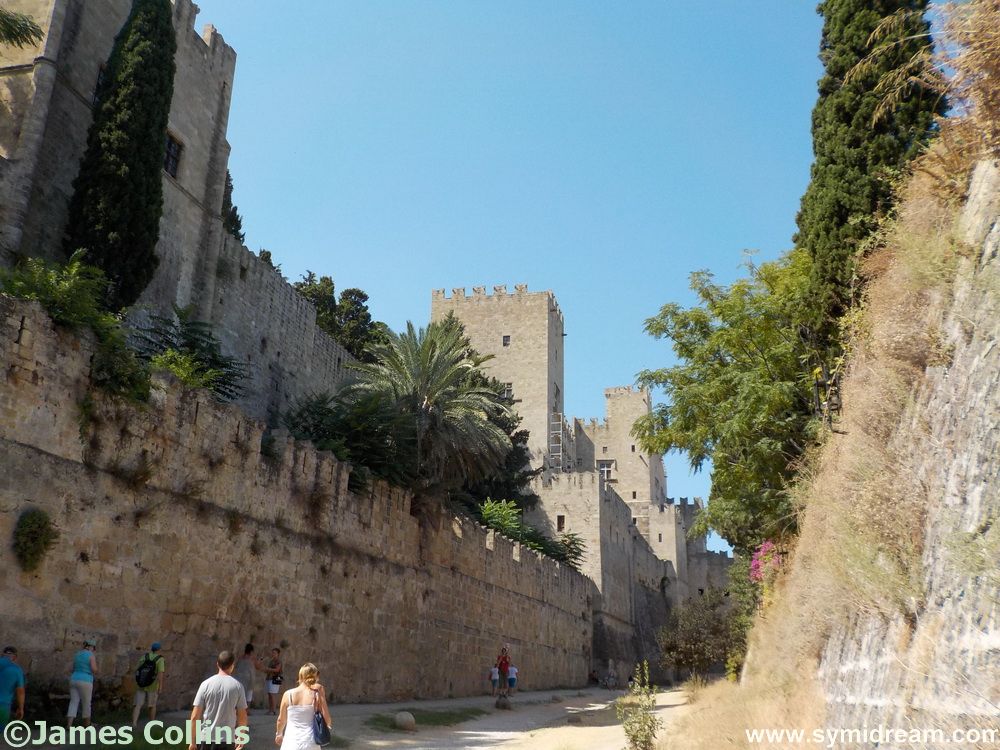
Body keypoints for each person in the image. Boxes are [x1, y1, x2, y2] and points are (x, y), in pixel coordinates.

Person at [188, 650, 248, 750]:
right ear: (232, 666)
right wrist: (241, 737)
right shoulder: (238, 687)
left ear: (217, 664)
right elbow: (242, 715)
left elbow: (195, 716)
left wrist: (192, 741)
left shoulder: (205, 685)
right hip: (227, 738)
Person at [274, 663, 332, 750]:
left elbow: (281, 720)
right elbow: (328, 721)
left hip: (291, 742)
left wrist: (279, 734)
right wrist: (321, 695)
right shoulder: (317, 694)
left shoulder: (288, 694)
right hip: (311, 743)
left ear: (300, 676)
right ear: (316, 677)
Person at [132, 641, 165, 728]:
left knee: (138, 705)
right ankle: (152, 723)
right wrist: (160, 686)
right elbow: (160, 673)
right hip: (152, 685)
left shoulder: (144, 657)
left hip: (141, 684)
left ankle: (134, 723)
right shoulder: (160, 659)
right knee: (152, 705)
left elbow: (138, 669)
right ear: (159, 650)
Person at [67, 638, 97, 728]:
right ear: (91, 647)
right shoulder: (90, 655)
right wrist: (97, 671)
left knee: (73, 702)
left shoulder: (77, 654)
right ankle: (87, 725)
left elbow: (72, 668)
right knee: (87, 703)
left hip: (74, 679)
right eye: (94, 648)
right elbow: (94, 669)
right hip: (86, 680)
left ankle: (69, 725)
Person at [0, 646, 25, 730]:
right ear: (15, 657)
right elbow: (20, 691)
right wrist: (21, 708)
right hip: (3, 706)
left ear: (2, 655)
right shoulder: (17, 670)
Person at [233, 644, 264, 710]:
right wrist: (260, 661)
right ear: (252, 651)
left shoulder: (240, 657)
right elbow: (258, 667)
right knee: (249, 694)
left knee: (239, 693)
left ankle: (237, 709)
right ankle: (247, 710)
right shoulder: (252, 658)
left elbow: (235, 665)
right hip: (249, 678)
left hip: (239, 677)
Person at [264, 648, 284, 715]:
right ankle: (270, 709)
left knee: (273, 694)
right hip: (269, 678)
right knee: (269, 694)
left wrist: (268, 669)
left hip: (275, 679)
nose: (273, 654)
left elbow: (277, 670)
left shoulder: (278, 661)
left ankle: (273, 710)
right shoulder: (271, 661)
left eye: (274, 653)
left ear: (278, 654)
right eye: (272, 653)